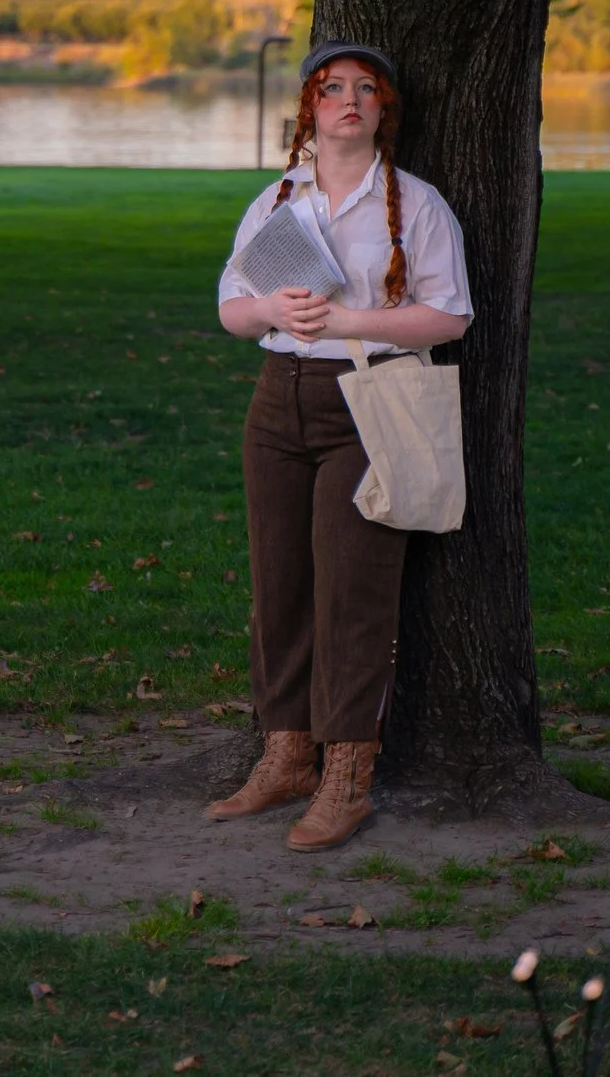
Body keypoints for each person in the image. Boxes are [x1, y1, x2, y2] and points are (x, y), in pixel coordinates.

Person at [208, 42, 473, 851]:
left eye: (365, 90)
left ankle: (346, 777)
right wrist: (272, 310)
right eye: (332, 90)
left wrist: (351, 321)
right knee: (279, 583)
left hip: (368, 402)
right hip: (276, 402)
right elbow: (230, 303)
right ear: (310, 111)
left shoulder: (417, 205)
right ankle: (286, 754)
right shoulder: (278, 200)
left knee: (354, 592)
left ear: (383, 110)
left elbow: (452, 315)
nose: (348, 101)